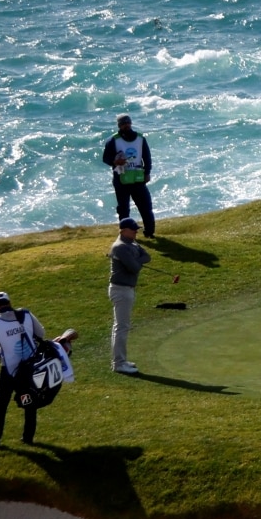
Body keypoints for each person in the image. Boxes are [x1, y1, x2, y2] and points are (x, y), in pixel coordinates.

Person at [0, 292, 45, 448]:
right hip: (30, 368)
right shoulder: (26, 314)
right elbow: (41, 334)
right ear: (10, 302)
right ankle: (28, 438)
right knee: (29, 401)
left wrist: (1, 349)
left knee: (1, 404)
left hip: (9, 371)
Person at [101, 114, 156, 238]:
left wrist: (147, 173)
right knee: (123, 209)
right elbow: (105, 158)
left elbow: (147, 157)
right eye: (123, 124)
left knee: (145, 206)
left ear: (131, 123)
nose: (126, 125)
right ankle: (125, 234)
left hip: (138, 178)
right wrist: (115, 162)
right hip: (121, 179)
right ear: (119, 126)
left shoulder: (140, 139)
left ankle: (150, 232)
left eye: (127, 123)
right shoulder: (113, 140)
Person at [108, 217, 149, 374]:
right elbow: (134, 268)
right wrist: (137, 260)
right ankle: (119, 363)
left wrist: (136, 259)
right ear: (123, 230)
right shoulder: (120, 247)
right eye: (133, 230)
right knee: (121, 327)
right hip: (121, 289)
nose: (136, 232)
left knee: (120, 327)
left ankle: (120, 360)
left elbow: (147, 256)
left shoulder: (131, 244)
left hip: (127, 289)